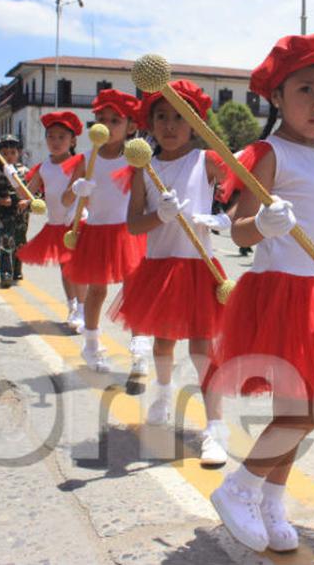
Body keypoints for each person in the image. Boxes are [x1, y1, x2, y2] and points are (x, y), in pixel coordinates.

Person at [208, 30, 314, 554]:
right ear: (277, 96)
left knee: (312, 411)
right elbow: (239, 232)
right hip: (282, 294)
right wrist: (264, 223)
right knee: (299, 413)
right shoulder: (268, 153)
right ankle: (239, 488)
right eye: (306, 89)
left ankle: (271, 500)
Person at [109, 79, 230, 465]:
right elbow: (133, 225)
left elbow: (242, 190)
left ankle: (216, 429)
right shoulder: (144, 167)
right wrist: (159, 216)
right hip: (160, 269)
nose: (170, 125)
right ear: (150, 123)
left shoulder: (207, 160)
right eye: (161, 117)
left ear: (194, 123)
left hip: (198, 266)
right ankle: (162, 396)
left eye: (179, 117)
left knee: (202, 350)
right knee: (162, 344)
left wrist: (225, 219)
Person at [63, 90, 150, 376]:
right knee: (97, 291)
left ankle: (139, 346)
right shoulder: (86, 159)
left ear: (131, 126)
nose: (107, 125)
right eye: (102, 119)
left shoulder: (136, 159)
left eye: (115, 120)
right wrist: (77, 191)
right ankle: (91, 345)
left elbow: (147, 195)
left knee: (135, 290)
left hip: (129, 233)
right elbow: (66, 199)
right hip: (97, 232)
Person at [18, 111, 87, 328]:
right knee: (65, 268)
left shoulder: (79, 162)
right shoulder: (43, 167)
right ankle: (72, 306)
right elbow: (27, 193)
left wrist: (78, 210)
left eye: (61, 137)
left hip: (77, 222)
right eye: (51, 136)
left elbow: (83, 191)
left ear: (72, 141)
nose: (55, 142)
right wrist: (12, 178)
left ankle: (82, 310)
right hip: (56, 224)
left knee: (77, 267)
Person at [0, 135, 31, 289]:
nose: (9, 156)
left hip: (21, 212)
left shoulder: (24, 171)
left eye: (12, 152)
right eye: (4, 153)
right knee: (5, 239)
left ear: (18, 153)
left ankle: (17, 269)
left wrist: (27, 201)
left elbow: (33, 192)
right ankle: (5, 272)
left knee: (20, 240)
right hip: (4, 212)